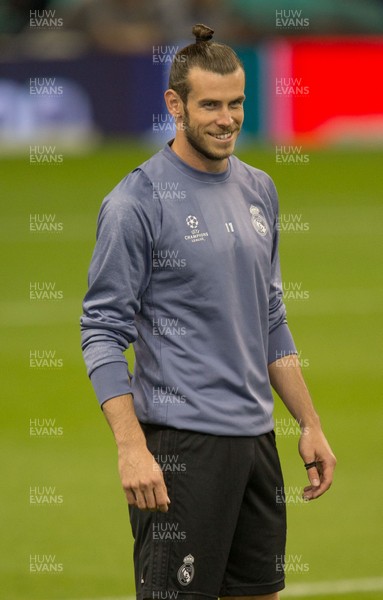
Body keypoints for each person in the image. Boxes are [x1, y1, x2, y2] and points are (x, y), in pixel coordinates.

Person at [81, 23, 336, 600]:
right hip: (181, 447)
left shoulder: (260, 189)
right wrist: (131, 447)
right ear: (175, 104)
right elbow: (101, 331)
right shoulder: (135, 203)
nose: (227, 119)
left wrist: (310, 423)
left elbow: (269, 314)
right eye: (211, 105)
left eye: (237, 104)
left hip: (257, 443)